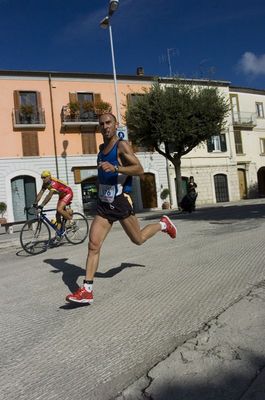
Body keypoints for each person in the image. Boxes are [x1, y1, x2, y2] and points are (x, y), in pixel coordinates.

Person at [66, 112, 177, 305]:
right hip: (103, 204)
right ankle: (87, 290)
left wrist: (117, 168)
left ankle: (162, 224)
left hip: (119, 202)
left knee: (138, 239)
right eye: (101, 124)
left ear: (116, 124)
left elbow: (139, 169)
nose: (105, 126)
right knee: (93, 245)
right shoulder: (101, 149)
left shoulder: (121, 145)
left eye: (108, 123)